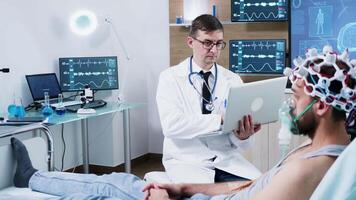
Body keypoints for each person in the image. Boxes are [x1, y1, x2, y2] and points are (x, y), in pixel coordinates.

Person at [11, 46, 355, 200]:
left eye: (294, 97)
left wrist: (239, 135)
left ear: (322, 106)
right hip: (197, 175)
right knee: (116, 186)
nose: (290, 106)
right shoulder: (321, 152)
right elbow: (174, 128)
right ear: (192, 42)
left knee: (110, 186)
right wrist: (185, 188)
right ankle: (35, 178)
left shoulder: (306, 168)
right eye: (208, 43)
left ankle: (32, 178)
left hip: (217, 174)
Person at [156, 14, 262, 183]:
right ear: (191, 42)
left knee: (261, 189)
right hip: (186, 161)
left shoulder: (233, 80)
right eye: (207, 43)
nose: (214, 50)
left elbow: (241, 144)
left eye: (219, 44)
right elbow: (171, 126)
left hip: (225, 160)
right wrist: (219, 119)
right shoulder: (170, 78)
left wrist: (243, 136)